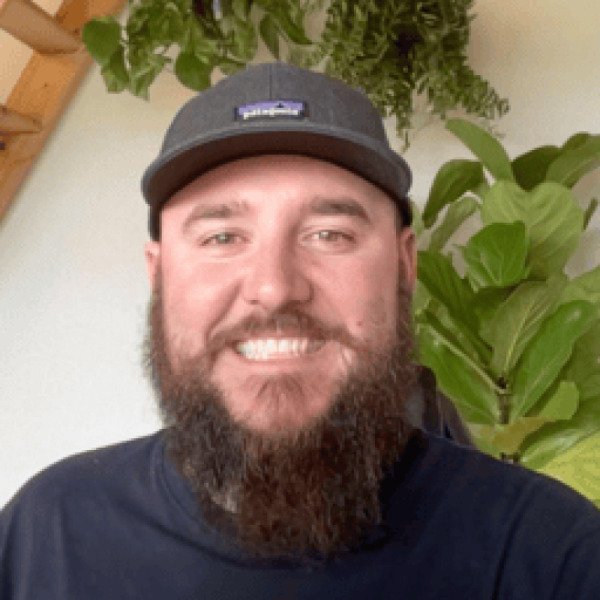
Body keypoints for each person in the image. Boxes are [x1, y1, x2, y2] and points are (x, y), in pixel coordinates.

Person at [1, 62, 599, 599]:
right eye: (222, 237)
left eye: (328, 234)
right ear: (159, 275)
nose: (275, 287)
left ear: (404, 266)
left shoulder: (552, 554)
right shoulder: (45, 536)